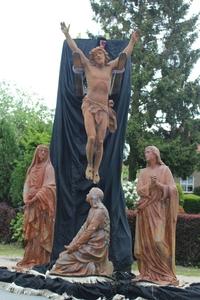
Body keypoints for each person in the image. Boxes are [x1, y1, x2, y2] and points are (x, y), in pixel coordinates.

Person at [60, 22, 139, 184]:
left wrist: (132, 41)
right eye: (96, 56)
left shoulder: (110, 67)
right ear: (93, 58)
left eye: (100, 55)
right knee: (91, 138)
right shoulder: (89, 66)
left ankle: (96, 169)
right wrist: (67, 35)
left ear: (105, 56)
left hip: (104, 109)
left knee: (100, 141)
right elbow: (76, 50)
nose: (98, 57)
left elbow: (124, 55)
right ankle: (89, 165)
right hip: (89, 105)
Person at [134, 145, 179, 285]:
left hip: (159, 210)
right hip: (145, 210)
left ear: (155, 154)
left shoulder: (164, 170)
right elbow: (139, 190)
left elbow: (173, 190)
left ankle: (165, 272)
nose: (146, 154)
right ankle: (147, 272)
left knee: (158, 240)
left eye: (148, 152)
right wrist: (150, 186)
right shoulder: (143, 172)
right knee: (145, 243)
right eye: (145, 152)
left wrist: (158, 185)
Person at [50, 187, 111, 276]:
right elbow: (83, 228)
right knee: (62, 257)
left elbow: (89, 232)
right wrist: (72, 244)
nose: (87, 195)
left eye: (89, 193)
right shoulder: (92, 210)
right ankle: (89, 267)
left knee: (62, 262)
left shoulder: (100, 211)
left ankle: (92, 268)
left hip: (95, 247)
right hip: (88, 244)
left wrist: (75, 246)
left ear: (93, 197)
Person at [16, 145, 56, 269]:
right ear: (36, 153)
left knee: (40, 233)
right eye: (40, 150)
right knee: (31, 233)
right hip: (31, 205)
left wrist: (37, 196)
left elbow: (51, 187)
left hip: (41, 206)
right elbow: (27, 185)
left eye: (45, 151)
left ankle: (39, 260)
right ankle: (29, 257)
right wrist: (26, 198)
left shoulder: (49, 168)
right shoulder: (32, 168)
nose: (43, 153)